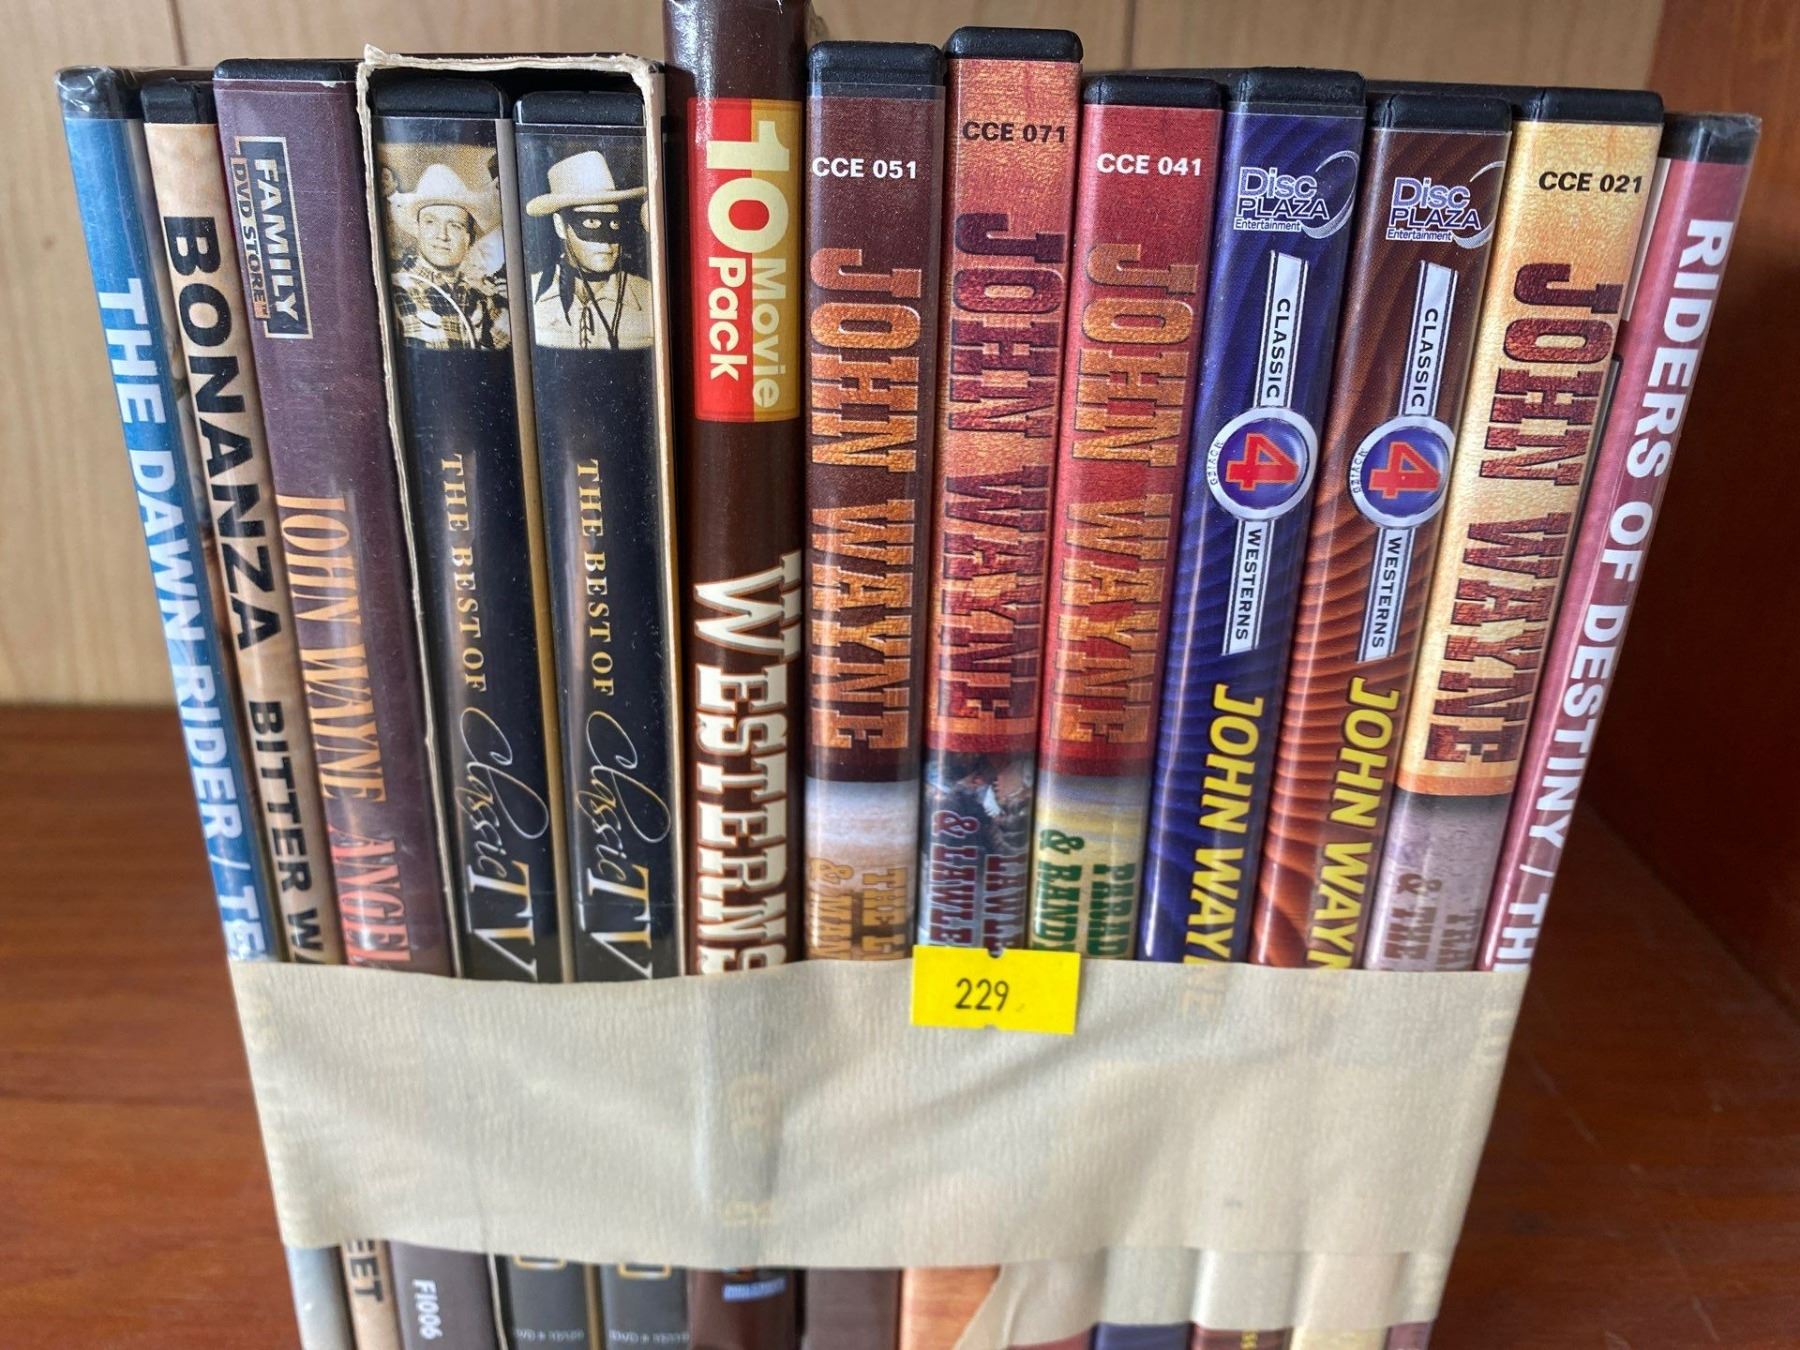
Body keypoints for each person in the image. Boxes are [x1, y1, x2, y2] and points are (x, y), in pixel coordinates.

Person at [525, 149, 652, 350]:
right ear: (560, 226)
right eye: (591, 222)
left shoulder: (649, 298)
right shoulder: (529, 297)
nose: (606, 243)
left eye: (614, 224)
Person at [386, 162, 508, 350]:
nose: (442, 235)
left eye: (454, 226)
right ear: (417, 229)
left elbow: (506, 344)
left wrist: (508, 301)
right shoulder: (397, 292)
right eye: (430, 222)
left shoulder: (477, 296)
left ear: (467, 239)